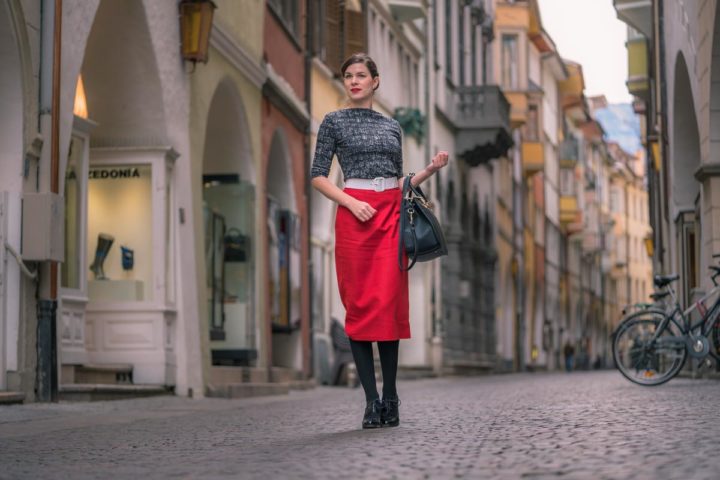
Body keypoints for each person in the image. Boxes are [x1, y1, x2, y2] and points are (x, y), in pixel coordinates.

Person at [310, 53, 448, 429]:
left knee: (388, 308)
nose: (353, 81)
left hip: (388, 214)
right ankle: (371, 401)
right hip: (353, 214)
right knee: (358, 307)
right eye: (348, 76)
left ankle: (392, 397)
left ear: (375, 81)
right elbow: (318, 176)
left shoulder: (392, 127)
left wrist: (430, 170)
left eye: (360, 75)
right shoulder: (333, 121)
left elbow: (400, 184)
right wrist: (352, 203)